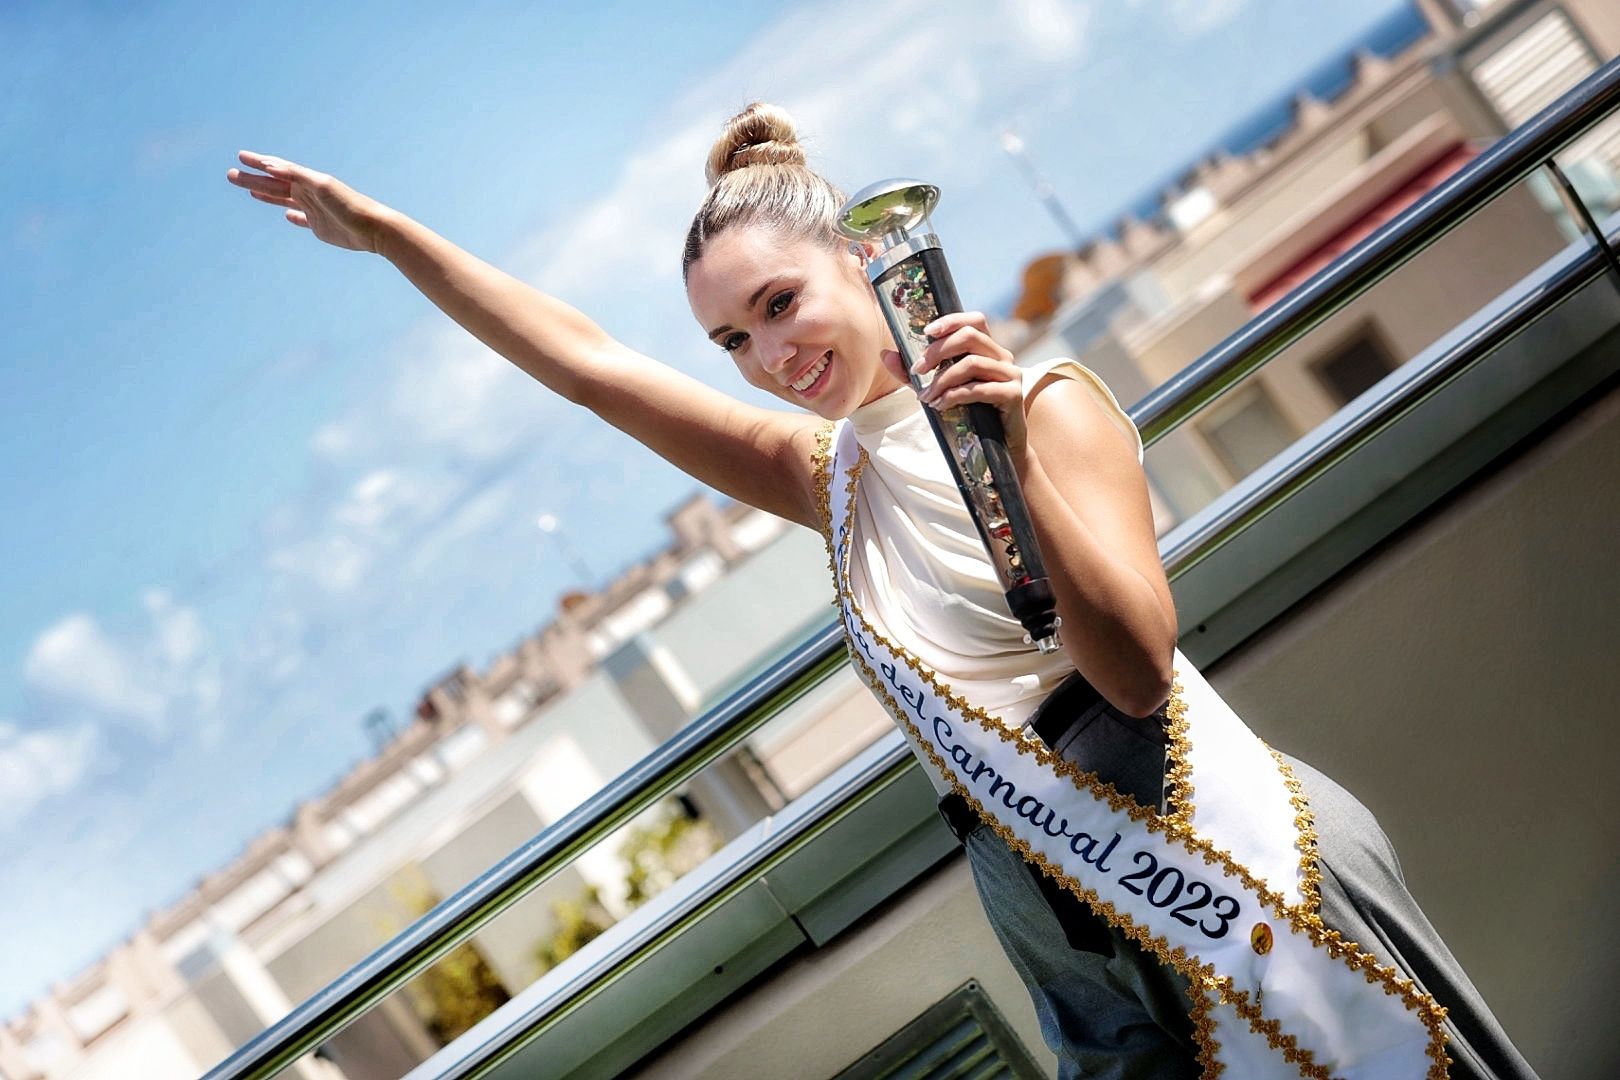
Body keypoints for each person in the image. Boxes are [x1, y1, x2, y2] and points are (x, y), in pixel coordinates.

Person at [228, 103, 1535, 1079]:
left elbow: (1133, 668)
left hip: (1220, 858)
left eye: (782, 303)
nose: (767, 356)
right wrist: (391, 239)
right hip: (1058, 917)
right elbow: (587, 366)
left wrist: (1010, 453)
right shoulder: (825, 473)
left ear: (866, 263)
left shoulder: (1047, 408)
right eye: (734, 339)